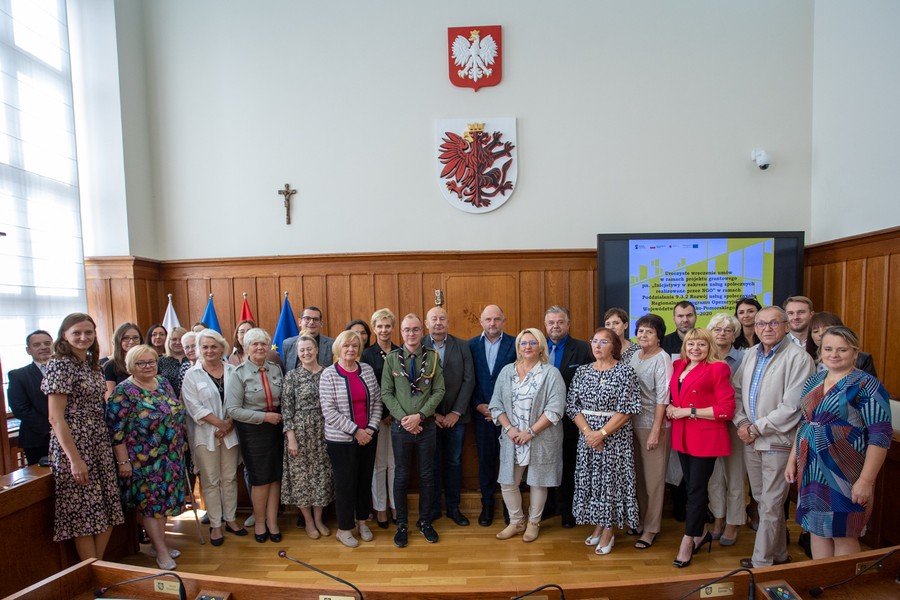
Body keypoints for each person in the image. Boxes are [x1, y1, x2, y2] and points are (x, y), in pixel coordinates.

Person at [786, 326, 892, 559]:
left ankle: (843, 588)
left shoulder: (867, 385)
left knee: (843, 532)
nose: (834, 354)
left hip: (844, 471)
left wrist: (866, 480)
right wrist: (792, 459)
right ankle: (822, 587)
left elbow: (880, 436)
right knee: (817, 529)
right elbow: (804, 422)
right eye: (828, 349)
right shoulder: (814, 380)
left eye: (842, 349)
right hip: (811, 467)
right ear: (820, 351)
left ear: (855, 352)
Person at [733, 305, 814, 569]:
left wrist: (756, 428)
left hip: (778, 442)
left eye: (773, 323)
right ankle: (779, 554)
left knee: (769, 504)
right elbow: (735, 393)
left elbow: (792, 407)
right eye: (761, 324)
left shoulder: (799, 359)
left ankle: (761, 563)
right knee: (764, 500)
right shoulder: (751, 354)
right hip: (750, 439)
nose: (767, 329)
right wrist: (743, 422)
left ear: (786, 326)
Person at [42, 313, 124, 560]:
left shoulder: (93, 365)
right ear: (64, 335)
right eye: (76, 332)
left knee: (107, 506)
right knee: (85, 513)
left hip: (98, 439)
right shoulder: (59, 364)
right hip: (74, 443)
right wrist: (74, 459)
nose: (83, 337)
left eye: (88, 332)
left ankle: (97, 568)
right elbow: (56, 417)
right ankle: (91, 571)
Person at [107, 345, 187, 570]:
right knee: (151, 506)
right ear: (131, 366)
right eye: (141, 363)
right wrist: (123, 462)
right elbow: (116, 431)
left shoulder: (162, 383)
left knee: (164, 504)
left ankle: (157, 544)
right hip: (142, 460)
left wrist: (182, 441)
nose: (147, 366)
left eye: (151, 361)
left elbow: (174, 413)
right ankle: (161, 552)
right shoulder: (123, 392)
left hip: (169, 457)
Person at [566, 327, 641, 556]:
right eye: (594, 341)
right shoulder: (582, 372)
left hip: (614, 439)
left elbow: (628, 409)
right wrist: (590, 433)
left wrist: (602, 434)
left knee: (610, 484)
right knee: (593, 483)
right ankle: (599, 523)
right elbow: (572, 406)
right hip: (587, 439)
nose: (597, 346)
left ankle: (609, 530)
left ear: (614, 346)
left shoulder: (625, 372)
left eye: (604, 342)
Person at [667, 328, 736, 568]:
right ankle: (701, 533)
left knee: (696, 490)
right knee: (690, 488)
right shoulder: (678, 367)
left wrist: (688, 411)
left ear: (710, 348)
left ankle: (687, 542)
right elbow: (677, 398)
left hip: (706, 439)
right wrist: (671, 407)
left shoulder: (718, 368)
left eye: (701, 345)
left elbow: (726, 409)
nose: (695, 349)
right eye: (691, 344)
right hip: (683, 436)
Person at [490, 328, 566, 543]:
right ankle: (516, 522)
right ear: (518, 347)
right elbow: (496, 404)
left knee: (537, 481)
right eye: (523, 343)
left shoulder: (550, 373)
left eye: (532, 343)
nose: (527, 347)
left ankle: (533, 523)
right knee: (508, 482)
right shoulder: (507, 372)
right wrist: (509, 429)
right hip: (512, 437)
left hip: (539, 437)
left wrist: (531, 432)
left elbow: (555, 408)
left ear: (541, 346)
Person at [382, 313, 445, 547]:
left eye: (416, 329)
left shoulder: (433, 357)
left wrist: (419, 416)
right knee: (401, 476)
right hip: (400, 428)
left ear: (422, 332)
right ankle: (402, 525)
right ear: (402, 332)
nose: (411, 334)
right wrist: (405, 419)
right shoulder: (391, 359)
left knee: (427, 475)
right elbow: (386, 393)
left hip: (427, 427)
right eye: (407, 330)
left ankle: (425, 521)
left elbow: (439, 391)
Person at [181, 329, 245, 547]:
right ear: (199, 350)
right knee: (210, 480)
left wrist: (229, 424)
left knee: (229, 477)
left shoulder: (233, 370)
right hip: (204, 435)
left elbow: (240, 400)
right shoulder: (192, 374)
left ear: (222, 348)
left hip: (231, 432)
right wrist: (220, 424)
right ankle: (216, 524)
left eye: (213, 346)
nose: (209, 350)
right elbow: (193, 406)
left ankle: (231, 519)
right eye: (205, 347)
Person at [320, 330, 382, 548]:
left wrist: (370, 429)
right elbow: (329, 411)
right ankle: (344, 528)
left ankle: (362, 522)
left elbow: (376, 402)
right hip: (341, 441)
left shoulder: (366, 370)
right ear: (339, 347)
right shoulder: (329, 374)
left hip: (368, 437)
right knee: (346, 484)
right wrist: (356, 431)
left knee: (364, 482)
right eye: (346, 346)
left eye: (355, 346)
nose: (350, 350)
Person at [225, 328, 285, 543]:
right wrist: (264, 418)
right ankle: (260, 522)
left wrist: (273, 418)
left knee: (275, 475)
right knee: (260, 479)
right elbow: (233, 410)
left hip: (276, 427)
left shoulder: (276, 369)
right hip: (253, 430)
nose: (259, 348)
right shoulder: (238, 373)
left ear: (268, 346)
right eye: (254, 344)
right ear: (246, 347)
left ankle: (272, 521)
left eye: (263, 344)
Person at [423, 306, 475, 526]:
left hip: (457, 418)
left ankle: (454, 508)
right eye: (433, 319)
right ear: (427, 323)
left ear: (448, 321)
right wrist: (431, 413)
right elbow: (414, 384)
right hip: (428, 418)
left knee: (454, 462)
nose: (438, 322)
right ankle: (434, 508)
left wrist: (455, 412)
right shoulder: (418, 345)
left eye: (442, 318)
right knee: (431, 464)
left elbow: (469, 379)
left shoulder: (462, 346)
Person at [543, 305, 593, 528]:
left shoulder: (583, 349)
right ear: (545, 325)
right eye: (551, 322)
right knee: (544, 462)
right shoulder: (536, 346)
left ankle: (567, 510)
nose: (555, 326)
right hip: (541, 419)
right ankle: (546, 507)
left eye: (560, 322)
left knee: (569, 463)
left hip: (572, 418)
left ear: (568, 324)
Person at [468, 304, 517, 527]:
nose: (492, 324)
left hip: (509, 418)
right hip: (481, 415)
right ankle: (487, 505)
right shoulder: (470, 346)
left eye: (497, 319)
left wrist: (502, 411)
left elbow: (520, 381)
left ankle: (510, 508)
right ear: (481, 321)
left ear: (504, 321)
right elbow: (468, 380)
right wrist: (478, 404)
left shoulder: (515, 344)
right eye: (488, 319)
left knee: (508, 463)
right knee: (486, 462)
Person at [282, 334, 333, 540]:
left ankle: (319, 519)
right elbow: (286, 410)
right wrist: (291, 438)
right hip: (300, 432)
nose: (306, 353)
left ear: (317, 350)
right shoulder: (292, 377)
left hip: (324, 431)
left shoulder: (328, 374)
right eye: (302, 350)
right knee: (302, 479)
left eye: (309, 349)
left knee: (322, 477)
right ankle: (308, 521)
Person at [628, 314, 673, 550]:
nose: (643, 335)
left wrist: (656, 430)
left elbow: (662, 399)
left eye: (649, 331)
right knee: (638, 477)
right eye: (641, 330)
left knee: (654, 480)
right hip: (630, 424)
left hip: (652, 425)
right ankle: (641, 520)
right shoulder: (635, 354)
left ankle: (652, 528)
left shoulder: (662, 358)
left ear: (658, 336)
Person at [706, 313, 746, 546]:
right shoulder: (703, 357)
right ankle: (718, 518)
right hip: (708, 424)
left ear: (734, 334)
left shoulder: (743, 359)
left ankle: (734, 522)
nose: (721, 333)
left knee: (735, 475)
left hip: (734, 423)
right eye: (717, 329)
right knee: (714, 477)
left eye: (727, 330)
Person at [361, 308, 400, 528]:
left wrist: (395, 413)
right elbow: (370, 388)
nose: (384, 330)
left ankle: (395, 506)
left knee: (395, 464)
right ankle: (380, 508)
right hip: (376, 417)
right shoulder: (368, 354)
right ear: (374, 328)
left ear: (392, 328)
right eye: (380, 326)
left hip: (397, 418)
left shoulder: (400, 351)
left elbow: (403, 386)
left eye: (387, 326)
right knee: (379, 465)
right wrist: (384, 414)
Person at [8, 330, 53, 465]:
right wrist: (52, 428)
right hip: (38, 439)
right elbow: (20, 408)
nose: (43, 347)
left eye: (47, 343)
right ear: (28, 350)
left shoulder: (67, 371)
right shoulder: (18, 375)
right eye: (37, 345)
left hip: (71, 435)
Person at [806, 312, 877, 376]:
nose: (821, 334)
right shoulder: (807, 359)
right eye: (815, 331)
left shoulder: (863, 360)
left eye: (827, 330)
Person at [103, 322, 142, 397]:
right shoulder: (110, 366)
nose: (131, 341)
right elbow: (110, 399)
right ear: (118, 340)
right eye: (126, 338)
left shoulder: (148, 362)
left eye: (135, 337)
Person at [157, 326, 190, 397]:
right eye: (174, 339)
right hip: (168, 401)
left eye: (181, 339)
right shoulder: (160, 361)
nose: (178, 342)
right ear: (168, 341)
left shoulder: (193, 359)